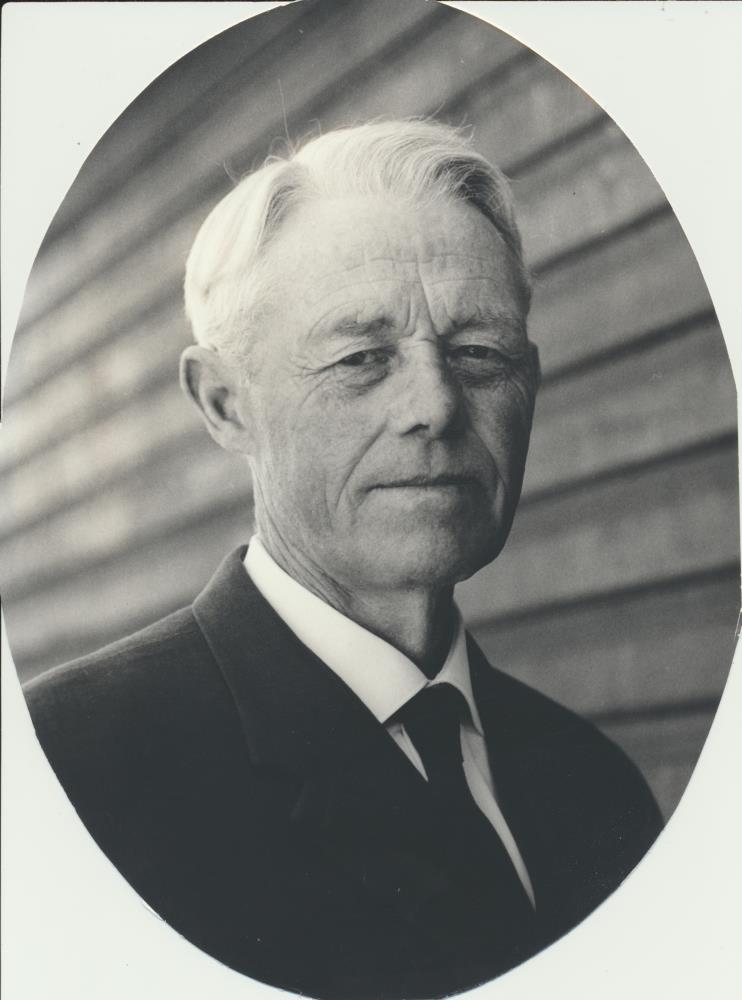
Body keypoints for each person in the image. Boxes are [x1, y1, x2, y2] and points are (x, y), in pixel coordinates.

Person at [24, 120, 662, 1000]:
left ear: (531, 383)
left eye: (480, 354)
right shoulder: (64, 775)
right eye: (362, 357)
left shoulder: (596, 787)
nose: (436, 405)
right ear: (225, 404)